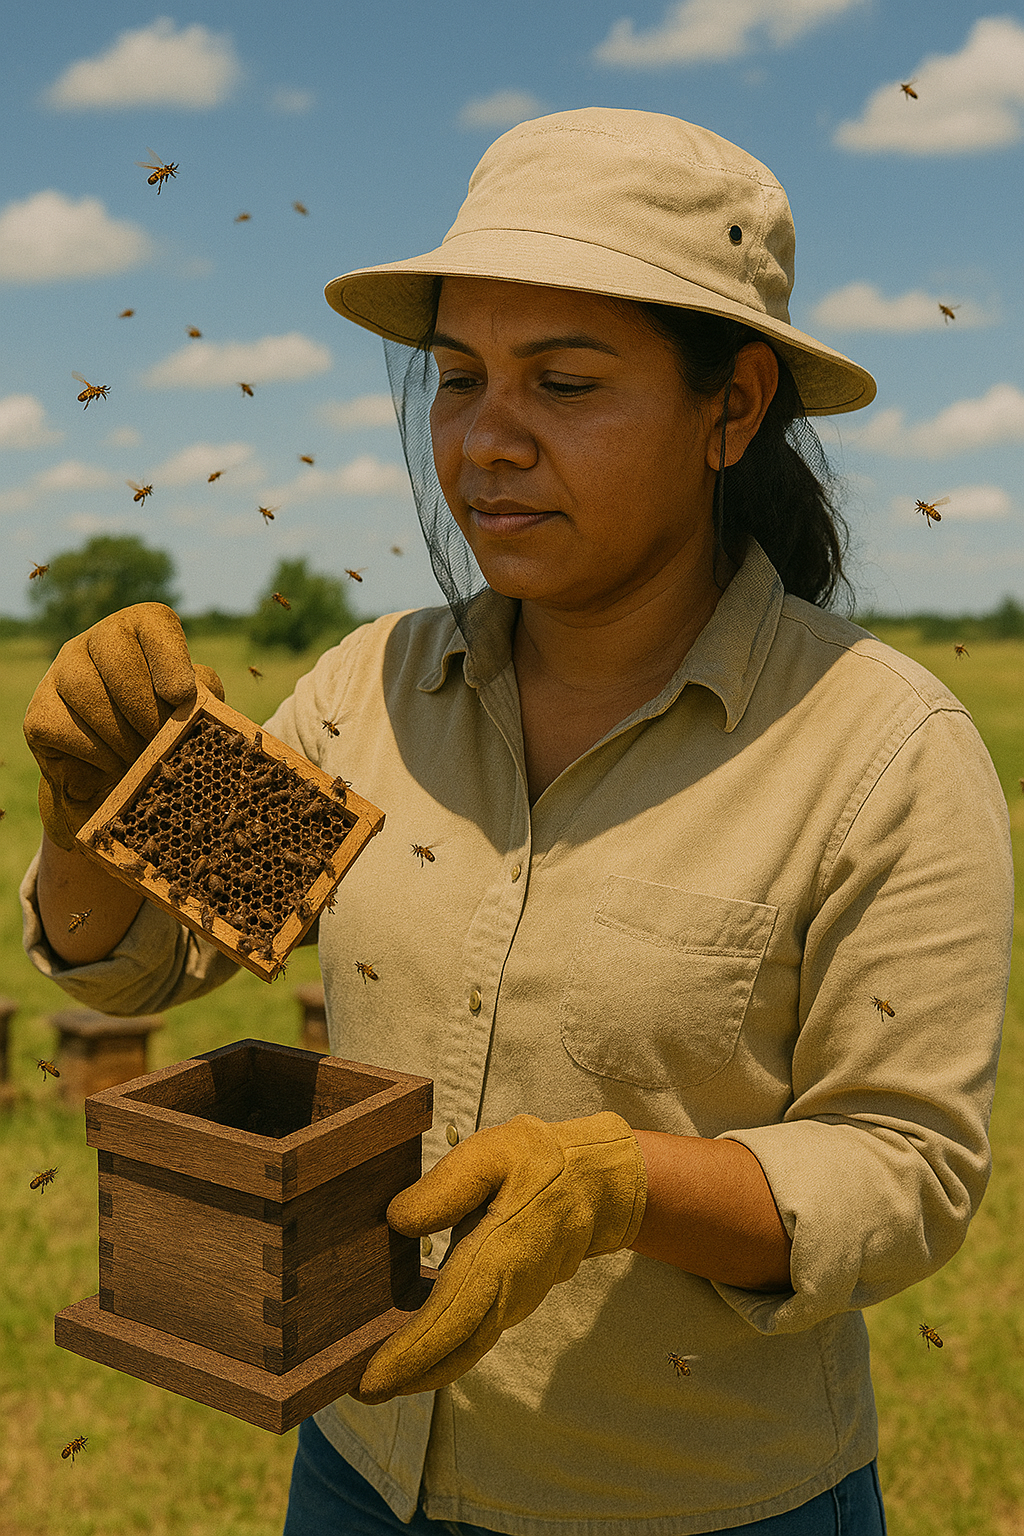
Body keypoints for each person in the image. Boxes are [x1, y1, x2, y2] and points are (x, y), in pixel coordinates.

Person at [22, 110, 1013, 1536]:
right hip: (359, 1471)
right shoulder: (372, 692)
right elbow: (143, 964)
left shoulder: (875, 747)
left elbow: (905, 1170)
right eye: (458, 379)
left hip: (700, 1502)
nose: (485, 442)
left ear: (731, 410)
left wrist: (621, 1183)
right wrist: (82, 818)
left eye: (563, 382)